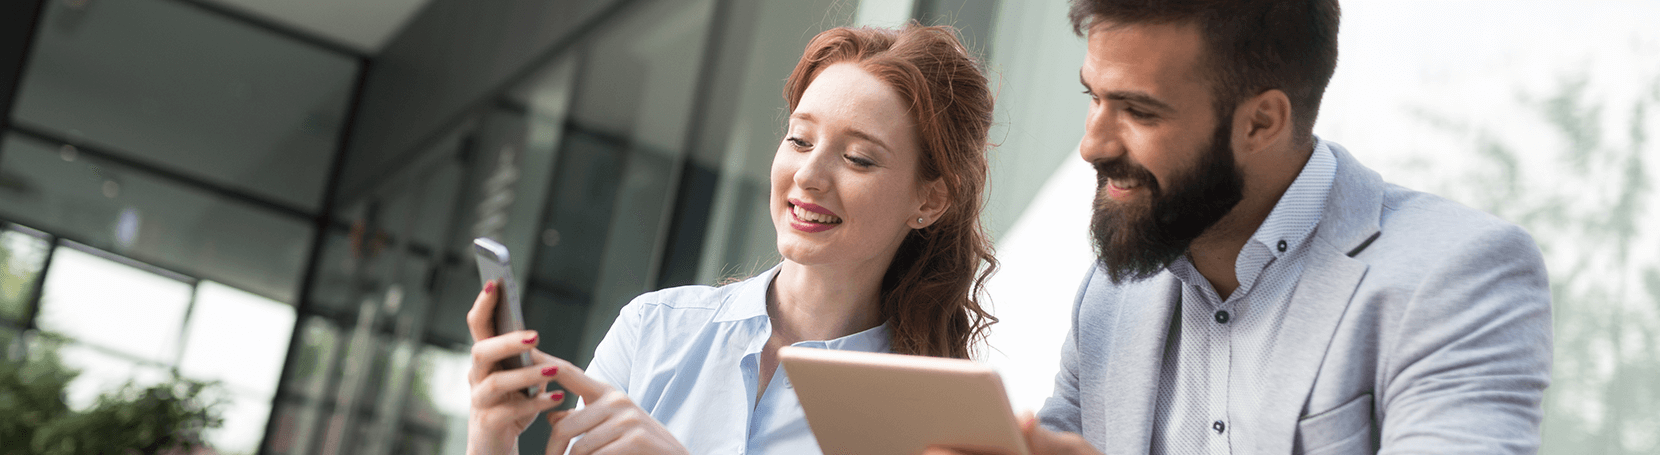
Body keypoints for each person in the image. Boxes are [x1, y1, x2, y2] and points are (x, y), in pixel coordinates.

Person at [957, 1, 1551, 454]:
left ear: (1261, 122)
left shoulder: (1458, 274)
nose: (1092, 144)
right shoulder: (1109, 299)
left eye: (1139, 111)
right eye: (1094, 97)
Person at [465, 23, 1000, 454]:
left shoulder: (930, 421)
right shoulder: (654, 330)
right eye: (800, 138)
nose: (809, 175)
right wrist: (493, 439)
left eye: (858, 158)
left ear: (929, 201)